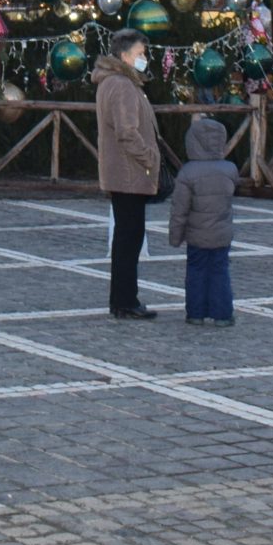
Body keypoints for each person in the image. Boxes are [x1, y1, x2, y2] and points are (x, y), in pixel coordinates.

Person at [94, 28, 161, 320]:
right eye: (140, 53)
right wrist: (149, 157)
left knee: (127, 238)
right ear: (124, 56)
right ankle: (125, 300)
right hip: (129, 172)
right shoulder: (121, 85)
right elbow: (126, 132)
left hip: (124, 171)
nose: (144, 58)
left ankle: (123, 299)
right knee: (129, 239)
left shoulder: (117, 82)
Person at [167, 113, 238, 325]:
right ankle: (222, 314)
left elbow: (179, 209)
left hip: (196, 235)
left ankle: (195, 314)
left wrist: (175, 236)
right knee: (220, 271)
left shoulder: (187, 172)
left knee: (196, 272)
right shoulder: (230, 169)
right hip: (221, 233)